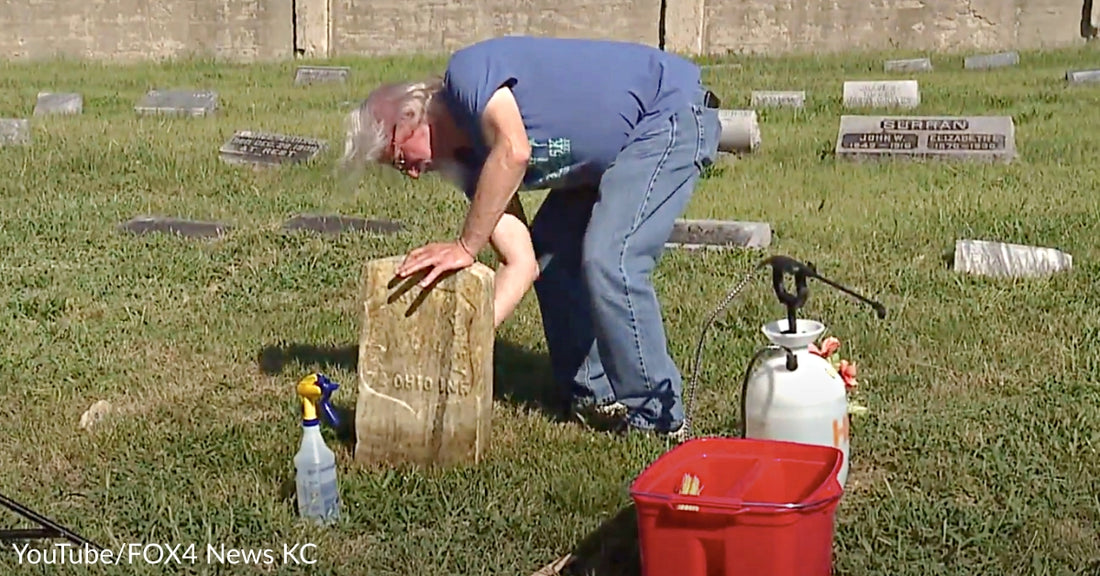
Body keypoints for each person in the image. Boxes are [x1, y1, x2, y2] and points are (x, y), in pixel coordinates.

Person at [341, 35, 721, 440]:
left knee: (613, 258)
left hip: (666, 113)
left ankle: (659, 420)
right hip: (608, 155)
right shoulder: (470, 166)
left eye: (402, 158)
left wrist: (466, 246)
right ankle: (595, 395)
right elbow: (521, 262)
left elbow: (514, 149)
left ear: (411, 114)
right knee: (551, 259)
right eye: (401, 170)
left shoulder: (467, 76)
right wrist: (462, 344)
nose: (414, 173)